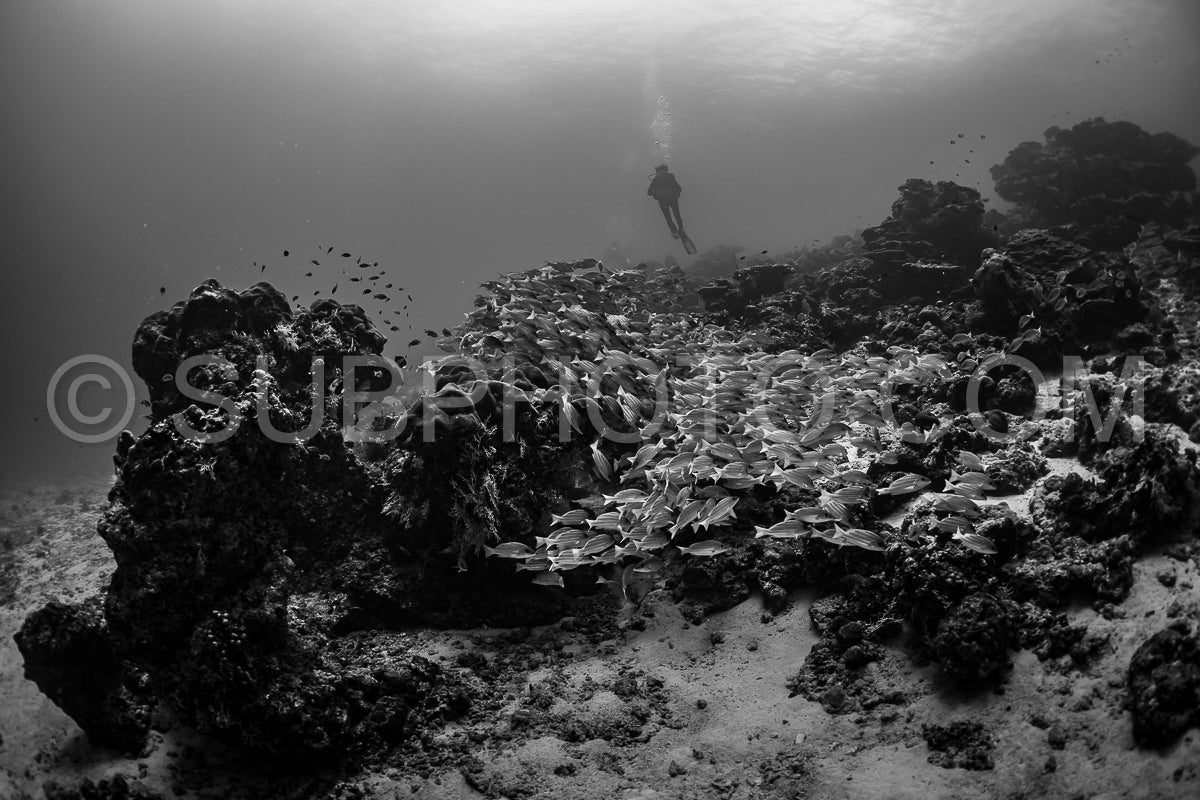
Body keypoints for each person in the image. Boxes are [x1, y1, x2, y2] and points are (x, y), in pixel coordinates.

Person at [647, 164, 685, 239]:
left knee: (668, 218)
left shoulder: (656, 179)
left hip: (662, 201)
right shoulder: (671, 177)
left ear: (657, 171)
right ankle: (681, 230)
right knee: (677, 216)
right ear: (666, 170)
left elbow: (648, 192)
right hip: (673, 198)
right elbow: (679, 188)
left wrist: (656, 191)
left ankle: (674, 231)